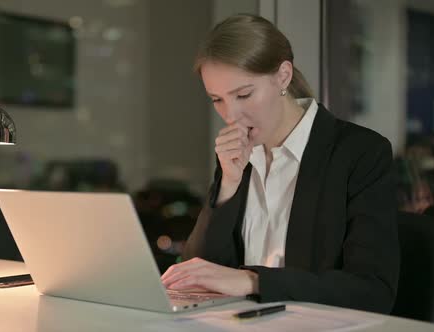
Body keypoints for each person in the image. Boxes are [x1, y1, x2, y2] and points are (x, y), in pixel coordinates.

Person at [160, 14, 399, 314]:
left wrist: (253, 281)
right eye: (216, 99)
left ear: (283, 76)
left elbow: (372, 292)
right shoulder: (237, 155)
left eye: (244, 94)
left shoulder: (360, 153)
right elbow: (200, 274)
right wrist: (227, 188)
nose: (231, 115)